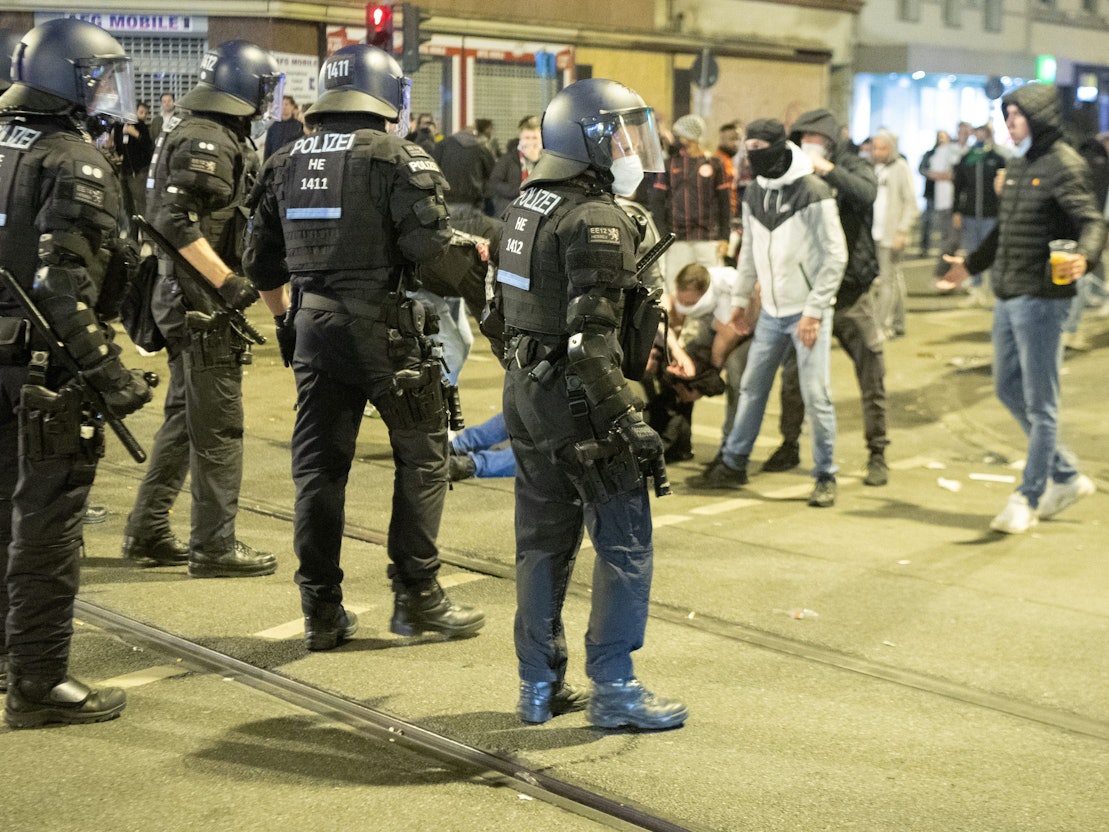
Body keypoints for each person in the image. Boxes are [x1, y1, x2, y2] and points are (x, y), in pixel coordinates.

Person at [243, 44, 485, 650]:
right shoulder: (399, 157)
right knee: (424, 458)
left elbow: (259, 262)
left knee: (320, 473)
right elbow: (432, 262)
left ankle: (321, 613)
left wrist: (287, 323)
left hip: (314, 329)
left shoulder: (285, 160)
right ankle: (417, 598)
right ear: (386, 97)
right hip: (386, 334)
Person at [496, 78, 688, 730]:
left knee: (541, 543)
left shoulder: (527, 204)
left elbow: (507, 314)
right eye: (620, 132)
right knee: (624, 541)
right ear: (589, 138)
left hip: (525, 389)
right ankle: (615, 691)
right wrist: (631, 421)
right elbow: (589, 344)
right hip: (579, 400)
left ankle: (536, 686)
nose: (630, 146)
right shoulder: (598, 220)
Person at [0, 18, 153, 728]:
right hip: (41, 366)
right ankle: (37, 680)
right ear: (67, 76)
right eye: (98, 76)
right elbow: (64, 289)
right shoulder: (73, 159)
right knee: (47, 525)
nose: (107, 90)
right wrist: (109, 372)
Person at [120, 41, 280, 577]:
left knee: (185, 421)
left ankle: (147, 529)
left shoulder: (209, 131)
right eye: (264, 87)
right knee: (218, 428)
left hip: (184, 299)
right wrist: (228, 281)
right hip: (199, 303)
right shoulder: (207, 139)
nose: (269, 98)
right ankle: (214, 545)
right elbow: (174, 220)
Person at [941, 83, 1104, 534]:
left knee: (1040, 404)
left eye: (1015, 116)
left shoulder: (1064, 165)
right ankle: (1067, 475)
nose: (1008, 125)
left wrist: (1085, 258)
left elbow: (1092, 220)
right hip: (1008, 293)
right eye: (1006, 116)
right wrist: (970, 266)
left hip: (1042, 298)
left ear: (1038, 118)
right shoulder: (1017, 164)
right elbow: (1004, 230)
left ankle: (1028, 495)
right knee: (1006, 388)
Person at [688, 118, 847, 508]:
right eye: (749, 146)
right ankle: (733, 463)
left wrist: (814, 311)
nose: (752, 154)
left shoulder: (813, 191)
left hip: (807, 314)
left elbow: (835, 255)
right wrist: (741, 302)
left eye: (760, 146)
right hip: (772, 314)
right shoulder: (755, 192)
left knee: (817, 395)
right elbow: (749, 258)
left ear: (778, 147)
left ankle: (825, 475)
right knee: (751, 388)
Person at [759, 108, 888, 487]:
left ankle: (877, 451)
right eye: (804, 138)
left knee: (872, 371)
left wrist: (827, 169)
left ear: (833, 140)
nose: (809, 145)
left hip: (851, 292)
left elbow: (867, 194)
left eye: (818, 138)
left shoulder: (852, 165)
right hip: (807, 295)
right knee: (794, 376)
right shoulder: (792, 170)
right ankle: (788, 443)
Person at [650, 114, 732, 290]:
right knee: (675, 287)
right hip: (677, 239)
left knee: (713, 287)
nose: (679, 139)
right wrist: (664, 237)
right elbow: (657, 203)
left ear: (691, 137)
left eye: (682, 135)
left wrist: (725, 237)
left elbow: (725, 204)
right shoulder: (669, 164)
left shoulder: (715, 164)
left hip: (709, 238)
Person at [870, 128, 918, 338]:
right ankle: (899, 322)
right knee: (894, 278)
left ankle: (882, 325)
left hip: (891, 235)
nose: (878, 152)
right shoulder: (874, 169)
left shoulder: (900, 168)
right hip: (875, 233)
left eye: (883, 148)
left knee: (887, 280)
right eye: (875, 147)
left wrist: (902, 231)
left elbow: (910, 203)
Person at [952, 124, 1006, 309]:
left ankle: (993, 291)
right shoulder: (967, 159)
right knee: (973, 251)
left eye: (985, 134)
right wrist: (957, 210)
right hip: (970, 214)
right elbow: (958, 187)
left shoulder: (997, 158)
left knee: (991, 252)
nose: (981, 138)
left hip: (990, 214)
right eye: (978, 135)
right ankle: (976, 290)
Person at [433, 123, 496, 220]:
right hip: (472, 202)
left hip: (446, 200)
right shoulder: (481, 147)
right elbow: (492, 173)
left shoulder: (444, 144)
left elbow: (433, 170)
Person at [487, 115, 541, 217]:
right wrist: (517, 190)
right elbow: (494, 182)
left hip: (535, 212)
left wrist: (536, 160)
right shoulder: (508, 159)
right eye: (527, 138)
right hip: (510, 211)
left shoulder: (545, 161)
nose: (530, 142)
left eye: (534, 138)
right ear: (521, 138)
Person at [110, 99, 154, 215]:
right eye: (141, 112)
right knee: (127, 205)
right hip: (124, 170)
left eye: (145, 113)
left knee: (140, 204)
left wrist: (136, 134)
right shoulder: (119, 125)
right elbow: (118, 145)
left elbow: (149, 147)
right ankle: (131, 231)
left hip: (138, 171)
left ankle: (144, 231)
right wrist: (118, 154)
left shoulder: (141, 126)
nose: (143, 115)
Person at [264, 94, 305, 160]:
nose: (284, 107)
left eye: (286, 104)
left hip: (292, 161)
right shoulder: (273, 126)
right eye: (281, 104)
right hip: (275, 161)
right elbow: (268, 148)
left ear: (292, 107)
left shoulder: (299, 125)